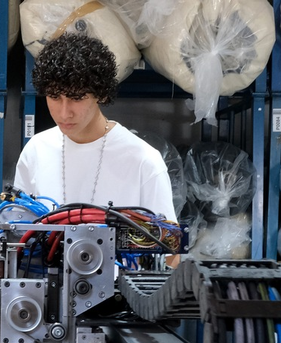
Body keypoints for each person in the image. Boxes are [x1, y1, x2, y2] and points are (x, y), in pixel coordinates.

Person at [14, 33, 177, 222]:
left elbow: (170, 246)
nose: (64, 113)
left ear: (101, 94)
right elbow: (18, 232)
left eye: (76, 98)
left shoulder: (143, 161)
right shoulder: (36, 150)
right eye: (54, 97)